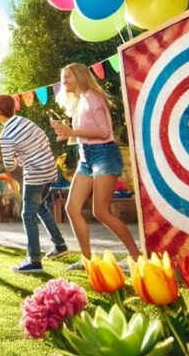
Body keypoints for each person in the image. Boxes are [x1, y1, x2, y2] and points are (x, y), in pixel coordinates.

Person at [52, 63, 141, 266]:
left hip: (104, 155)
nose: (64, 80)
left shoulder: (92, 97)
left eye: (68, 76)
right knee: (72, 208)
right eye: (63, 77)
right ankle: (86, 260)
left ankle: (136, 255)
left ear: (80, 76)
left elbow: (103, 132)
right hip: (87, 157)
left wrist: (72, 132)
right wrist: (67, 134)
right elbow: (87, 134)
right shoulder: (79, 101)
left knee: (100, 211)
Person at [0, 94, 69, 273]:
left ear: (0, 111)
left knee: (27, 215)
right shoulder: (26, 121)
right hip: (49, 171)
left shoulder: (6, 134)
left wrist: (18, 160)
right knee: (40, 208)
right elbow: (44, 140)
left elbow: (9, 165)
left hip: (36, 175)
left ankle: (34, 261)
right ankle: (60, 245)